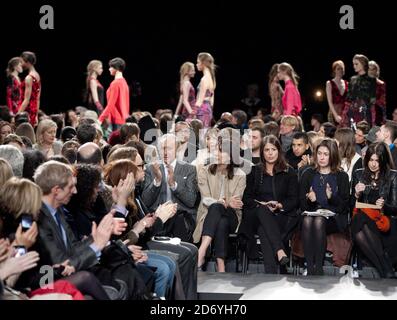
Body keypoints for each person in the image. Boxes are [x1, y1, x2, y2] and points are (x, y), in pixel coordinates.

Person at [239, 135, 298, 273]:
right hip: (256, 215)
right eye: (267, 150)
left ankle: (270, 273)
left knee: (263, 229)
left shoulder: (289, 172)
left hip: (281, 215)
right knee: (262, 210)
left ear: (279, 151)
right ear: (262, 152)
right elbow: (246, 198)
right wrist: (262, 204)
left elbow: (294, 199)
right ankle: (280, 251)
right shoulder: (255, 171)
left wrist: (279, 205)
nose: (270, 153)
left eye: (273, 149)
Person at [194, 136, 246, 272]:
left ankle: (202, 251)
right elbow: (205, 199)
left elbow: (236, 201)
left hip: (233, 217)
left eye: (220, 151)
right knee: (220, 219)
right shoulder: (204, 170)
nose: (216, 153)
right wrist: (224, 202)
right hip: (209, 215)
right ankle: (221, 265)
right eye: (216, 150)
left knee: (218, 208)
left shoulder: (240, 174)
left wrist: (225, 203)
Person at [299, 138, 350, 275]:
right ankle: (310, 267)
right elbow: (302, 205)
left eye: (325, 154)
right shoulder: (308, 174)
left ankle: (319, 267)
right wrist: (312, 200)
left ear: (332, 155)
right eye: (319, 153)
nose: (321, 157)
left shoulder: (342, 176)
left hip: (334, 219)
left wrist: (331, 197)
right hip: (311, 216)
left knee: (319, 220)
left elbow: (344, 206)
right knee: (308, 220)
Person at [351, 142, 397, 278]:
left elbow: (395, 207)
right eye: (371, 160)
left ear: (383, 160)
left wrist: (384, 206)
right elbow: (350, 205)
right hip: (363, 220)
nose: (373, 164)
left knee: (360, 225)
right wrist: (356, 195)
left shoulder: (393, 176)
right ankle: (385, 267)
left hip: (383, 221)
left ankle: (384, 267)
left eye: (377, 160)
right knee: (359, 219)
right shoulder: (359, 174)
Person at [141, 134, 198, 243]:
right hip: (158, 216)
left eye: (169, 148)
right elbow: (146, 202)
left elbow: (191, 201)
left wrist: (174, 185)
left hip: (181, 216)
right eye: (163, 148)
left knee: (178, 218)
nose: (166, 152)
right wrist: (157, 181)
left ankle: (184, 254)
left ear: (177, 149)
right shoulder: (150, 168)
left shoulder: (189, 169)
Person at [341, 54, 376, 128]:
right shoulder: (352, 79)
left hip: (365, 112)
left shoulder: (371, 79)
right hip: (352, 112)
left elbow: (373, 100)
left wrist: (373, 120)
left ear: (363, 64)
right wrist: (344, 115)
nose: (354, 66)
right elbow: (348, 99)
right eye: (353, 64)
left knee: (363, 134)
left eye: (356, 64)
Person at [98, 58, 130, 131]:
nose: (109, 69)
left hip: (116, 120)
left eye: (111, 67)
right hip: (123, 119)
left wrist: (100, 119)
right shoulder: (124, 82)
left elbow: (110, 104)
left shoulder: (115, 83)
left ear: (117, 68)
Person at [19, 52, 41, 126]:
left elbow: (26, 99)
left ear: (27, 62)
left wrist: (17, 115)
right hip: (33, 110)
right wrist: (36, 115)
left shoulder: (29, 77)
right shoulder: (37, 76)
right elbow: (37, 98)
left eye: (22, 62)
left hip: (27, 111)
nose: (21, 64)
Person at [195, 53, 216, 129]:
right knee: (205, 133)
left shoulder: (204, 79)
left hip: (202, 109)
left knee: (201, 134)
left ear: (203, 63)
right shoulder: (212, 78)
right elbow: (212, 100)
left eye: (198, 62)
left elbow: (199, 101)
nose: (196, 64)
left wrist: (191, 114)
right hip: (208, 109)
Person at [326, 60, 348, 125]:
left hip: (344, 112)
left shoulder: (347, 83)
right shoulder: (329, 83)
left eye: (342, 68)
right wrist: (335, 115)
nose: (340, 70)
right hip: (333, 112)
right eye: (338, 69)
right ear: (334, 70)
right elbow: (329, 102)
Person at [368, 60, 387, 126]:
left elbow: (383, 102)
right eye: (369, 69)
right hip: (364, 112)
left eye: (373, 69)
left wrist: (375, 101)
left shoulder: (381, 84)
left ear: (376, 70)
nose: (371, 71)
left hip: (377, 113)